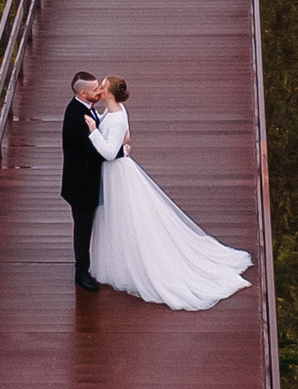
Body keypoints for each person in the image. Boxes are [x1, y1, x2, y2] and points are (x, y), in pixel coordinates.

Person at [86, 75, 251, 311]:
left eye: (102, 86)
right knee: (118, 220)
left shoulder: (117, 115)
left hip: (116, 173)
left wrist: (93, 132)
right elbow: (119, 139)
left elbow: (111, 153)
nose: (99, 89)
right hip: (114, 172)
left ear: (110, 93)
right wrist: (121, 143)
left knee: (126, 219)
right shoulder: (113, 111)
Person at [60, 70, 107, 291]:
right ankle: (81, 272)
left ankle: (92, 264)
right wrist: (117, 152)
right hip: (81, 183)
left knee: (87, 225)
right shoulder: (75, 117)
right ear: (81, 92)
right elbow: (89, 152)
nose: (99, 91)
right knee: (83, 228)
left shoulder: (86, 107)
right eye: (95, 89)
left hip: (88, 178)